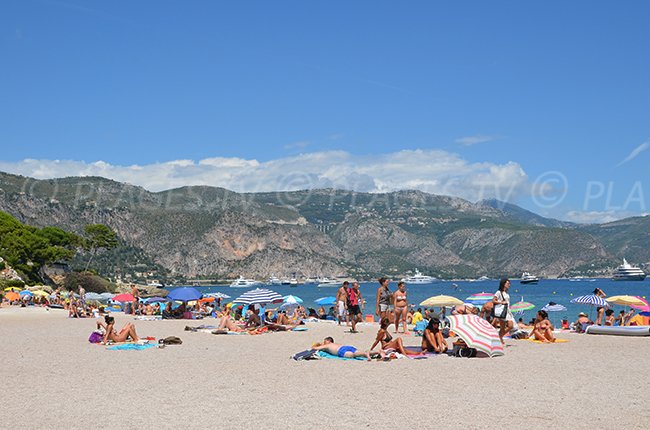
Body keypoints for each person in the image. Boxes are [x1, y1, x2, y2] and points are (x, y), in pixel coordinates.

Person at [493, 278, 514, 344]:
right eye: (508, 283)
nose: (509, 285)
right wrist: (501, 302)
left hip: (507, 311)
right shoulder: (499, 292)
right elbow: (493, 300)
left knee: (503, 327)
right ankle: (499, 337)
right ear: (503, 284)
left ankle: (499, 338)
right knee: (510, 325)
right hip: (502, 311)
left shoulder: (506, 293)